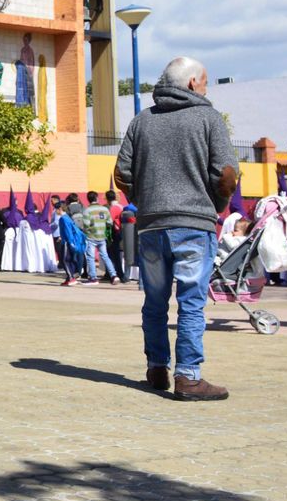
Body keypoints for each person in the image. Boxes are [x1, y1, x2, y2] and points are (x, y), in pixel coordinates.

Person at [115, 56, 237, 401]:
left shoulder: (142, 121)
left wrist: (145, 199)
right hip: (194, 225)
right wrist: (217, 206)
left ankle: (157, 368)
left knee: (154, 301)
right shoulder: (208, 118)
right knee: (191, 301)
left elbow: (121, 174)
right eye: (206, 81)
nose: (207, 88)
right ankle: (188, 376)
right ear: (193, 84)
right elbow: (226, 174)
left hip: (151, 227)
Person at [79, 190, 118, 283]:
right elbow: (109, 222)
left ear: (88, 199)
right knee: (105, 256)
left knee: (90, 257)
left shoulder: (87, 210)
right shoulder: (104, 209)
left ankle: (93, 277)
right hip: (102, 236)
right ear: (97, 198)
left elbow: (86, 225)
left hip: (91, 236)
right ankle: (113, 275)